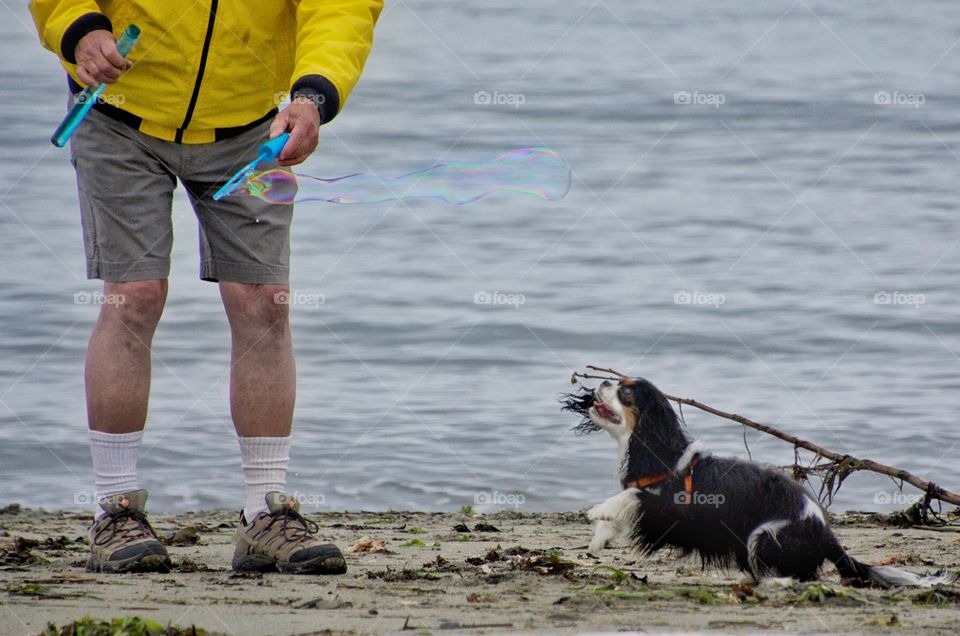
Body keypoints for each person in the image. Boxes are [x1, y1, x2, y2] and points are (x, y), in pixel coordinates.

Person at [29, 0, 382, 574]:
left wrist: (313, 94)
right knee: (134, 294)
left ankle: (264, 513)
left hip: (251, 127)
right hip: (118, 114)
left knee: (265, 301)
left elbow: (341, 8)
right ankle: (115, 511)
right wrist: (79, 28)